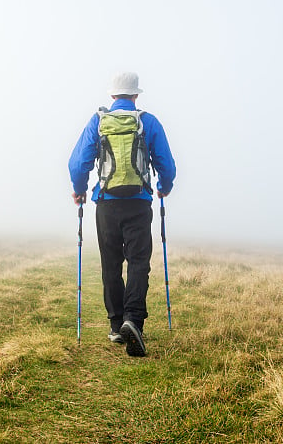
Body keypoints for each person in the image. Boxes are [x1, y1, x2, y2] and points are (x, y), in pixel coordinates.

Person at [68, 72, 176, 357]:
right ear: (136, 95)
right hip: (139, 203)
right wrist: (165, 187)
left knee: (111, 264)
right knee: (139, 262)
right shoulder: (147, 122)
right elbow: (167, 165)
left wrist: (79, 191)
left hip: (106, 204)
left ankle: (117, 325)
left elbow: (78, 163)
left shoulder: (99, 122)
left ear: (112, 95)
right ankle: (134, 321)